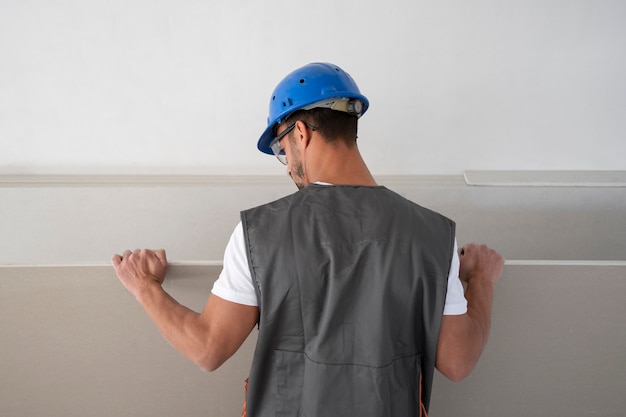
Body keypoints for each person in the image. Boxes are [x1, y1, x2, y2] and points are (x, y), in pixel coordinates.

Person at [113, 62, 504, 416]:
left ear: (299, 132)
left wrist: (144, 286)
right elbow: (458, 361)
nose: (288, 167)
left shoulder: (259, 233)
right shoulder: (432, 234)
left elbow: (207, 348)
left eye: (283, 150)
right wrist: (481, 281)